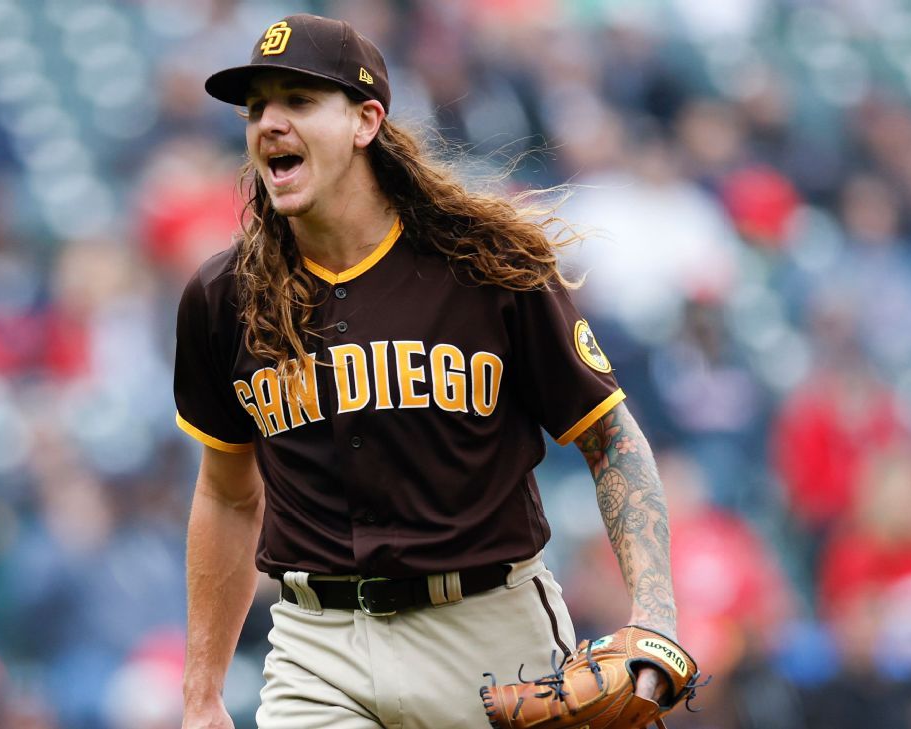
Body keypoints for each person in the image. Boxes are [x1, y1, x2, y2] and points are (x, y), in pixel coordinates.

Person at [173, 14, 678, 728]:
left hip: (490, 635)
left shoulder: (488, 267)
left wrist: (654, 613)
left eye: (298, 100)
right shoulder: (224, 297)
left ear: (365, 120)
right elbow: (227, 496)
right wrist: (201, 692)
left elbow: (612, 440)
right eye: (257, 108)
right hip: (319, 648)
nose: (270, 123)